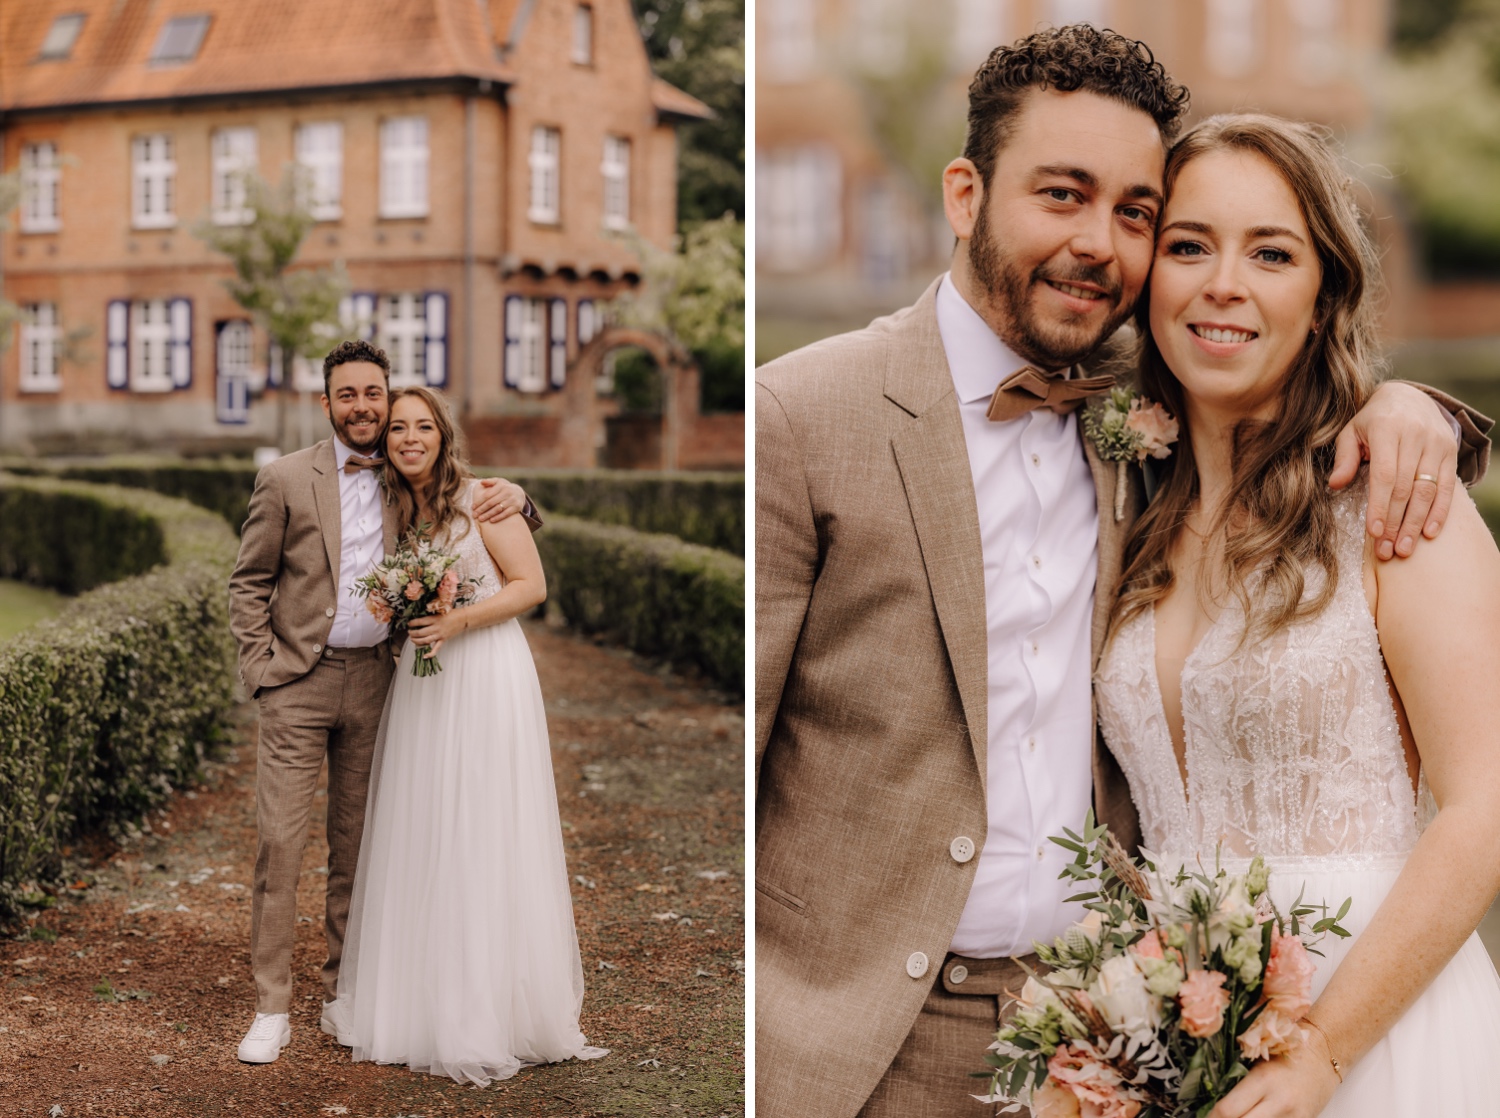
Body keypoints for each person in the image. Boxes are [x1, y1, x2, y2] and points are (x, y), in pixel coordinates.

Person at [753, 25, 1491, 1118]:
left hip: (1328, 1024)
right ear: (966, 196)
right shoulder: (823, 416)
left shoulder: (1364, 483)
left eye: (1137, 216)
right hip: (993, 1041)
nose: (1103, 244)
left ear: (1323, 284)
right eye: (1186, 244)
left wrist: (1416, 407)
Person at [1094, 113, 1500, 1118]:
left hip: (1376, 1032)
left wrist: (1322, 1049)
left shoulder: (1399, 505)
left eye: (1270, 252)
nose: (1221, 283)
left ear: (1322, 296)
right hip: (1173, 1039)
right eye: (1189, 245)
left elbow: (1485, 809)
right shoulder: (1127, 504)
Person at [227, 340, 535, 1064]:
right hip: (297, 683)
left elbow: (471, 506)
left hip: (381, 681)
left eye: (374, 394)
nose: (364, 408)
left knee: (361, 847)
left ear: (387, 398)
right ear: (327, 401)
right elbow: (248, 582)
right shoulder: (282, 479)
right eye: (348, 395)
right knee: (281, 841)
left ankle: (344, 992)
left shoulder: (408, 481)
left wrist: (522, 496)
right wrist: (261, 669)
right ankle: (271, 1008)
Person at [321, 386, 607, 1084]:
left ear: (444, 436)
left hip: (483, 672)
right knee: (423, 828)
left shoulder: (483, 499)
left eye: (423, 427)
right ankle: (420, 997)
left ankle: (490, 1007)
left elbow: (530, 585)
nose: (410, 438)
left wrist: (454, 622)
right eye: (398, 428)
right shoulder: (396, 507)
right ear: (383, 440)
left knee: (482, 824)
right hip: (425, 685)